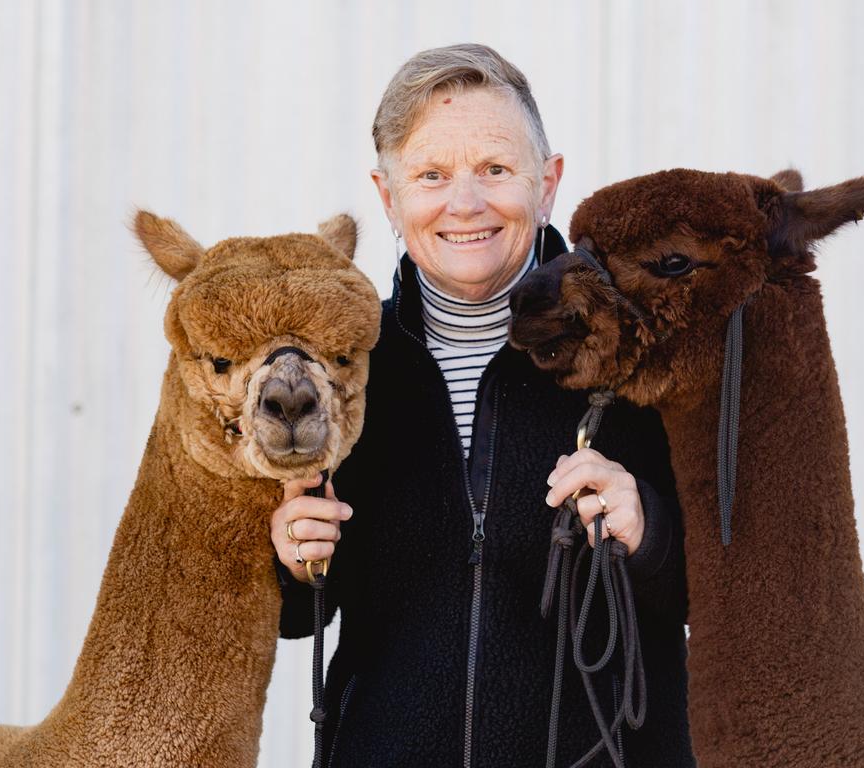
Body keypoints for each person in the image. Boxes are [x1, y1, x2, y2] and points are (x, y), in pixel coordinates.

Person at [270, 43, 693, 767]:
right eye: (431, 175)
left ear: (548, 181)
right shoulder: (331, 375)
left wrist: (648, 528)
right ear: (388, 197)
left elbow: (734, 590)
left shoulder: (649, 350)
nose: (464, 204)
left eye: (495, 169)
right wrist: (286, 559)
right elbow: (289, 619)